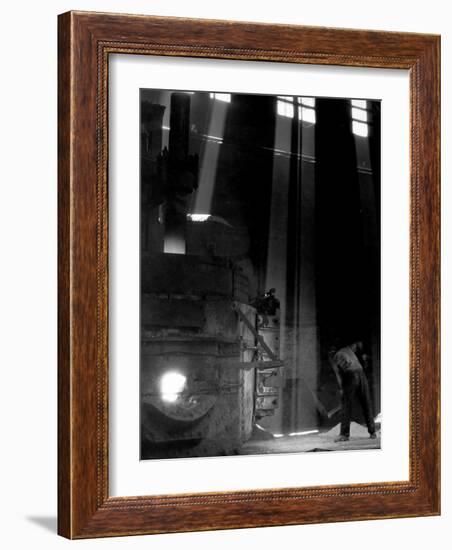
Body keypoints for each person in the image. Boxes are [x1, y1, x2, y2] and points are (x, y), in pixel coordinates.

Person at [331, 341, 376, 442]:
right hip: (361, 373)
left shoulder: (335, 356)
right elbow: (358, 346)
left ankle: (344, 435)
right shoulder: (348, 349)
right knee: (366, 403)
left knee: (346, 405)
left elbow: (339, 375)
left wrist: (342, 389)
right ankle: (372, 432)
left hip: (350, 374)